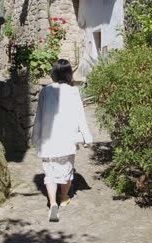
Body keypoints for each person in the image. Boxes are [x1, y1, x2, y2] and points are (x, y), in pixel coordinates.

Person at [31, 59, 93, 222]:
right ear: (68, 74)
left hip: (48, 140)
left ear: (53, 73)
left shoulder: (45, 91)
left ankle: (52, 203)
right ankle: (64, 197)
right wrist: (87, 136)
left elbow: (39, 117)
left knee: (49, 173)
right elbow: (80, 116)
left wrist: (35, 137)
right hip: (67, 140)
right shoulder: (73, 92)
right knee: (66, 171)